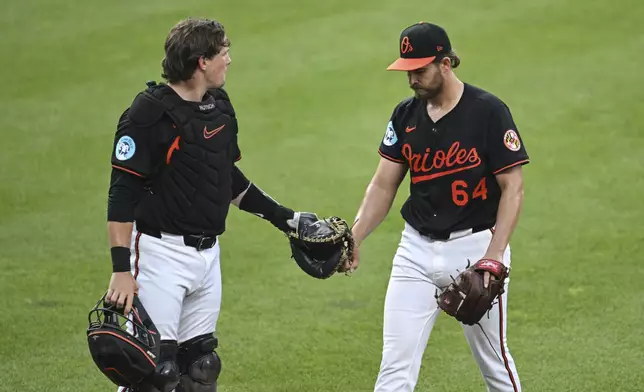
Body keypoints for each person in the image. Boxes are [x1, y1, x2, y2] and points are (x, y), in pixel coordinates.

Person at [105, 18, 315, 392]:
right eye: (223, 52)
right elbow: (121, 194)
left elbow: (225, 178)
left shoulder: (217, 106)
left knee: (201, 368)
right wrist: (122, 270)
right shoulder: (148, 114)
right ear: (202, 61)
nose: (229, 60)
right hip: (159, 255)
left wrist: (286, 219)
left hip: (207, 256)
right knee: (155, 373)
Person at [349, 22, 528, 392]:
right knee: (394, 369)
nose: (412, 78)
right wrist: (355, 237)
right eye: (407, 70)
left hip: (475, 249)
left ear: (445, 63)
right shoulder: (405, 115)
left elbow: (513, 188)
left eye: (420, 69)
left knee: (495, 365)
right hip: (414, 251)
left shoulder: (488, 112)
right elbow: (384, 184)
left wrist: (494, 259)